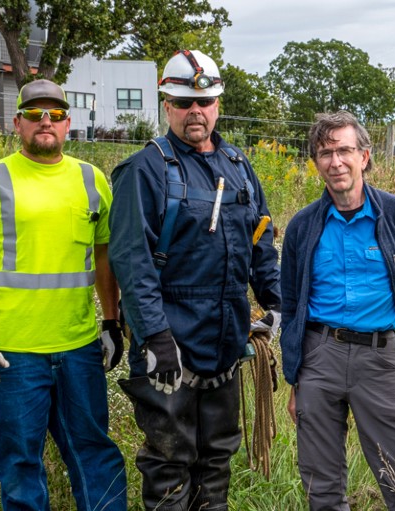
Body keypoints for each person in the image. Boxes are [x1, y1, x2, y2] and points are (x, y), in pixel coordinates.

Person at [108, 49, 281, 511]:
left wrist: (276, 301)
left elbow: (260, 240)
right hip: (170, 345)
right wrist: (155, 335)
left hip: (225, 339)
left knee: (216, 459)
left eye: (204, 102)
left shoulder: (238, 166)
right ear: (166, 104)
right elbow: (131, 259)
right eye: (184, 103)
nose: (195, 112)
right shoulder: (144, 170)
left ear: (218, 103)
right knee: (170, 462)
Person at [0, 79, 127, 510]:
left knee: (95, 456)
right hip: (13, 355)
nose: (45, 121)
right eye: (34, 114)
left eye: (55, 113)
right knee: (20, 465)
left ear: (68, 123)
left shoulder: (92, 179)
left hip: (79, 348)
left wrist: (111, 321)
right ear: (18, 123)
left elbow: (105, 258)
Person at [280, 110, 395, 511]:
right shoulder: (303, 226)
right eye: (325, 153)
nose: (335, 162)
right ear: (316, 162)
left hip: (378, 357)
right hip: (319, 356)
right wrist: (295, 378)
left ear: (364, 156)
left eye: (344, 150)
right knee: (321, 488)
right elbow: (290, 303)